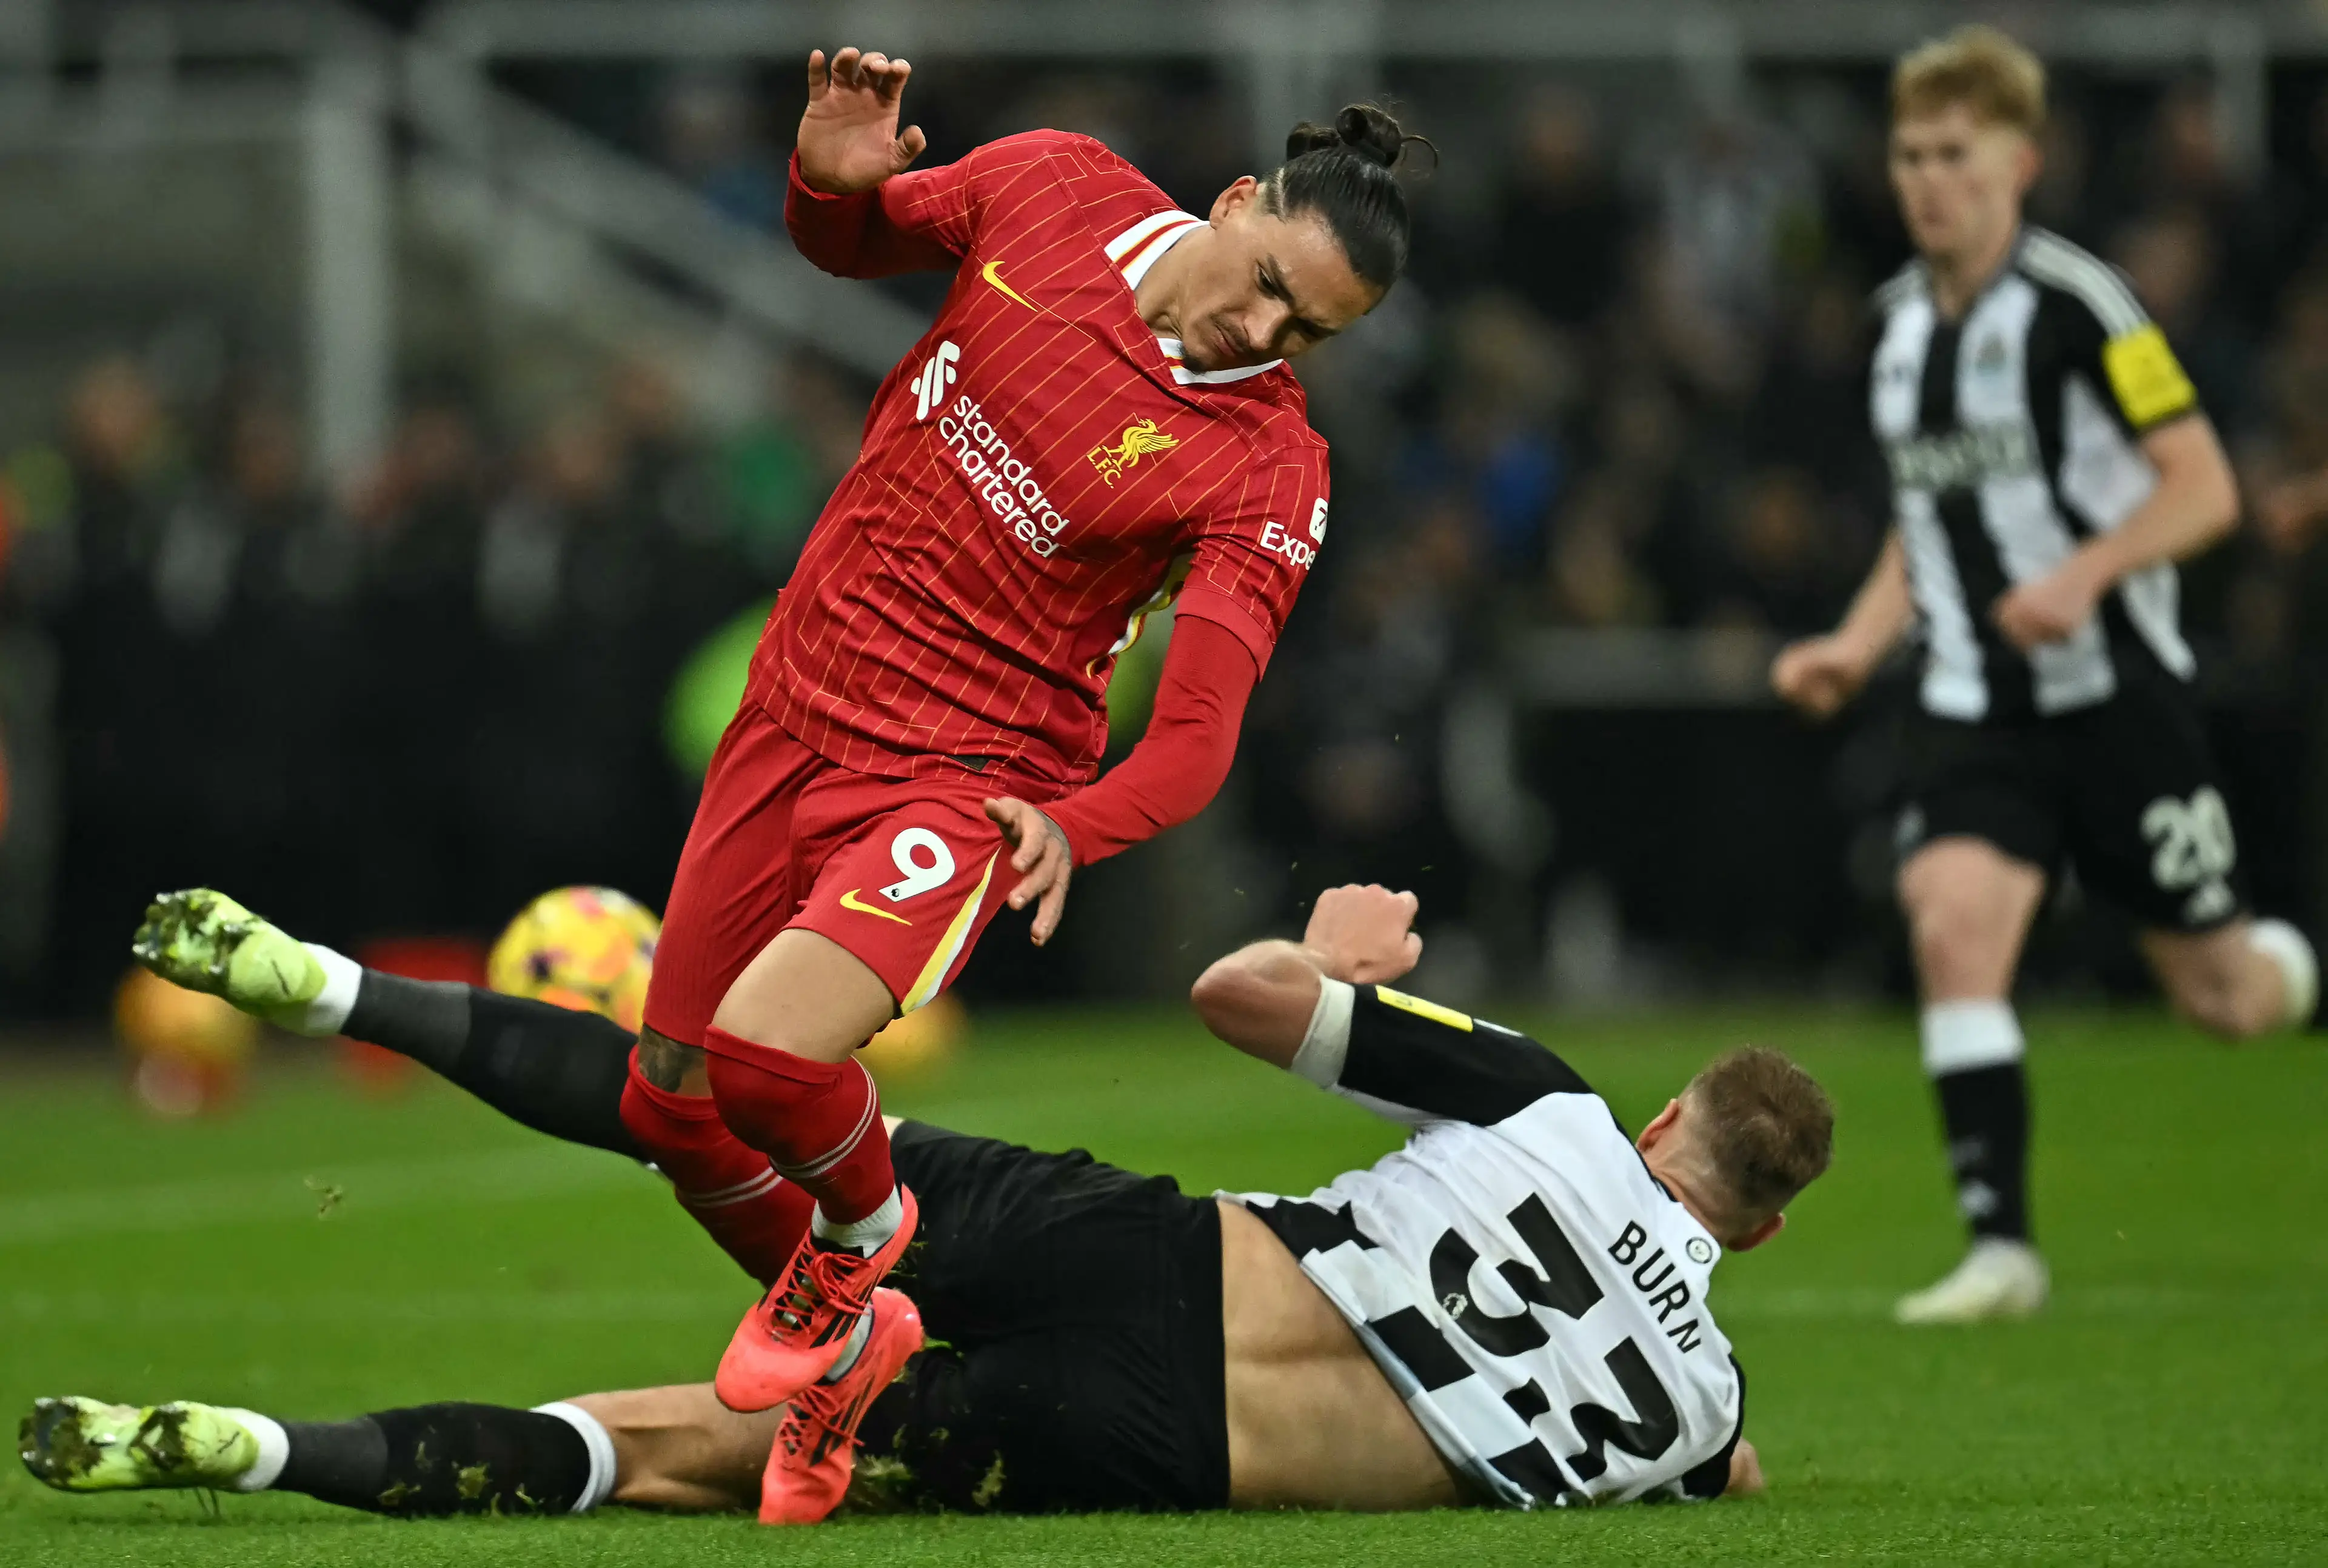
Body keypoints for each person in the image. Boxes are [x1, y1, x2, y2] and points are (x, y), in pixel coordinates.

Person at [619, 45, 1424, 1449]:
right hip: (792, 707)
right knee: (672, 1110)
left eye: (1312, 332)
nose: (1268, 332)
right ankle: (875, 1358)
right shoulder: (1055, 184)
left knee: (763, 1064)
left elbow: (1194, 739)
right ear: (1235, 200)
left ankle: (864, 1244)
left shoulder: (1268, 466)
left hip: (963, 784)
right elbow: (848, 241)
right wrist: (828, 169)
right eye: (1273, 285)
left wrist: (1075, 826)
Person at [83, 882, 1830, 1519]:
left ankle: (323, 984)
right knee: (683, 1454)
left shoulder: (1557, 1100)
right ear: (1757, 1231)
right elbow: (1732, 1458)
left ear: (1670, 1114)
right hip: (1163, 1445)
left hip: (1159, 1258)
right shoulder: (1703, 1408)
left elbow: (1236, 992)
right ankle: (267, 1449)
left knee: (715, 1101)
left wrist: (1337, 952)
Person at [1769, 26, 2318, 1327]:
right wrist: (1859, 639)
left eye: (1954, 154)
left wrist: (2086, 573)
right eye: (1909, 155)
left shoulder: (2083, 307)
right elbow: (1929, 518)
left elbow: (2206, 488)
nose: (1927, 181)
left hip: (2118, 701)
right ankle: (2000, 1249)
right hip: (1973, 706)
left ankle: (2290, 971)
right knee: (1953, 927)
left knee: (2224, 1002)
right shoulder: (1898, 328)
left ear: (2022, 162)